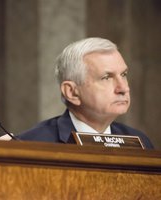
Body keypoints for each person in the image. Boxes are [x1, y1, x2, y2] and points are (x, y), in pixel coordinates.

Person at [18, 37, 154, 149]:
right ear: (72, 92)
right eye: (106, 77)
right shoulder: (32, 144)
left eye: (123, 74)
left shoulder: (141, 142)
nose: (124, 88)